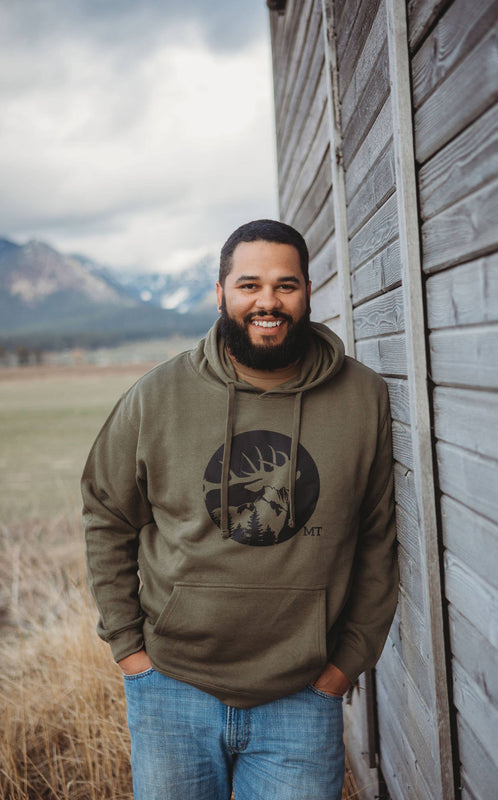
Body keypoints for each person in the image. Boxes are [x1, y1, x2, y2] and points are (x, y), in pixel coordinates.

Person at [82, 219, 398, 800]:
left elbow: (378, 539)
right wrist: (129, 649)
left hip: (303, 693)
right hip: (172, 689)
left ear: (308, 291)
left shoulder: (363, 397)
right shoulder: (157, 395)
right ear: (221, 292)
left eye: (286, 285)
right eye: (249, 285)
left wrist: (344, 667)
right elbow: (106, 513)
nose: (268, 302)